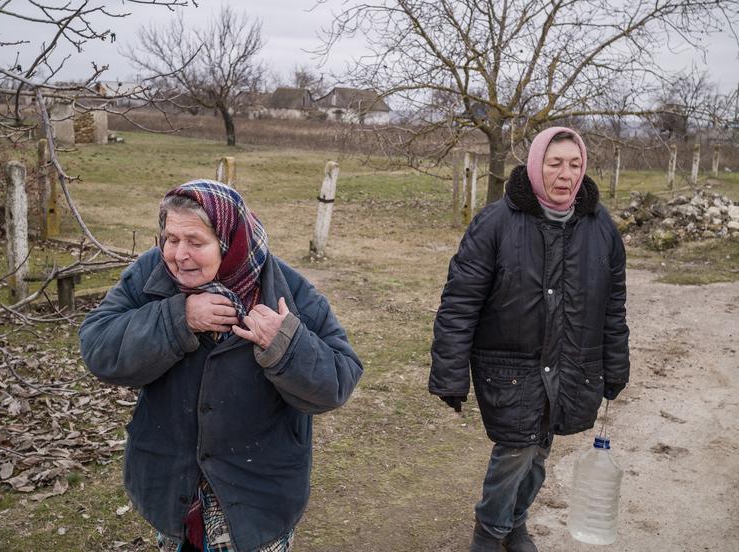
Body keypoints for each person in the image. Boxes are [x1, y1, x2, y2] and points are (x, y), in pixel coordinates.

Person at [79, 179, 363, 552]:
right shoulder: (153, 273)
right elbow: (97, 346)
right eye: (171, 238)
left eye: (196, 242)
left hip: (259, 493)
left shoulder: (287, 292)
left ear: (230, 241)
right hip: (169, 485)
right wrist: (177, 319)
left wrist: (285, 343)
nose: (179, 254)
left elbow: (337, 381)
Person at [428, 127, 630, 552]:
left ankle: (515, 523)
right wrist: (449, 373)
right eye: (555, 163)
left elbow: (613, 306)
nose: (566, 174)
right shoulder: (496, 222)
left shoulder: (601, 228)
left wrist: (616, 364)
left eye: (574, 164)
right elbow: (460, 302)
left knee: (540, 452)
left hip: (572, 362)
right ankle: (490, 532)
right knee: (516, 450)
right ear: (537, 165)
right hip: (510, 366)